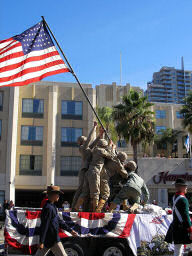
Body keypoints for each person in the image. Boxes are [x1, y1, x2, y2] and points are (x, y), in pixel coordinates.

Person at [35, 186, 77, 256]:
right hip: (52, 239)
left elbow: (59, 221)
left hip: (49, 238)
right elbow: (45, 225)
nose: (58, 196)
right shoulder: (48, 208)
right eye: (57, 194)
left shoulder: (53, 206)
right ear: (52, 195)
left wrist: (70, 230)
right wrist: (41, 241)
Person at [76, 139, 116, 212]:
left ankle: (76, 208)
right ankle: (96, 210)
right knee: (95, 193)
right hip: (95, 172)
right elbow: (111, 156)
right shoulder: (100, 150)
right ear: (104, 146)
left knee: (85, 192)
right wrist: (112, 148)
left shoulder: (95, 149)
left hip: (89, 172)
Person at [72, 122, 104, 210]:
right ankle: (74, 206)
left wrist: (100, 135)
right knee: (81, 189)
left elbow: (93, 143)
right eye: (85, 140)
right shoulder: (82, 147)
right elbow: (90, 139)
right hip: (84, 170)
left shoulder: (87, 148)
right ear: (82, 141)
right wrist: (94, 128)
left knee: (87, 190)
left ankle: (86, 208)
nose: (87, 140)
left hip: (89, 170)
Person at [165, 178, 192, 256]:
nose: (186, 188)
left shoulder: (174, 197)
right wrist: (190, 230)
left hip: (175, 226)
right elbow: (185, 216)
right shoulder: (183, 200)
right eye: (185, 186)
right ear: (181, 187)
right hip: (182, 227)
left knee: (177, 250)